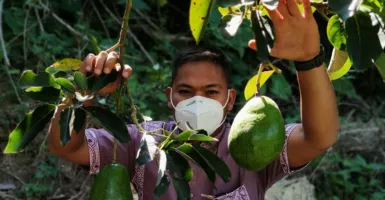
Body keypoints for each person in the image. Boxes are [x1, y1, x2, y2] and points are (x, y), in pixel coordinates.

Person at [47, 0, 340, 199]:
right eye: (185, 91)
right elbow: (64, 146)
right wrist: (83, 92)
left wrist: (308, 60)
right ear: (170, 96)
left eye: (211, 92)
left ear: (229, 99)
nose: (198, 100)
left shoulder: (248, 144)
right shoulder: (143, 143)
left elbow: (319, 137)